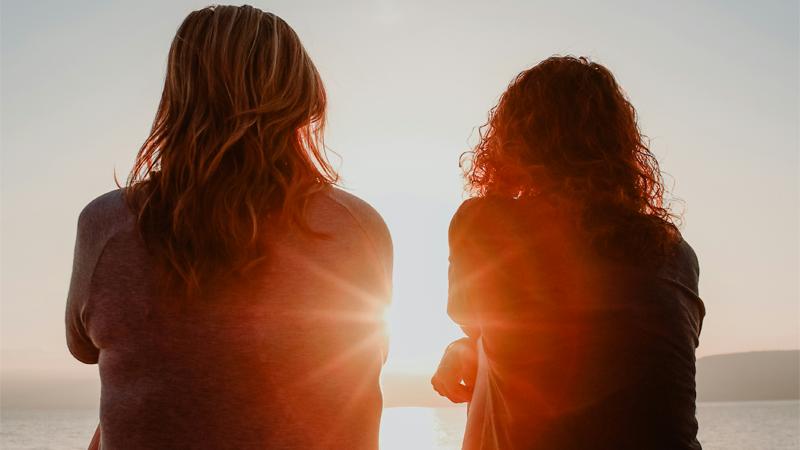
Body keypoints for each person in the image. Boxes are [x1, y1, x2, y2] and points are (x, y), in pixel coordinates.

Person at [65, 6, 392, 449]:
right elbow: (368, 357)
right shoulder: (356, 227)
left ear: (177, 96)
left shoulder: (108, 224)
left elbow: (84, 347)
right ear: (303, 95)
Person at [431, 56, 705, 450]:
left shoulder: (486, 223)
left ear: (512, 143)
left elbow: (469, 317)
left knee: (490, 361)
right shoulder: (675, 251)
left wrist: (464, 345)